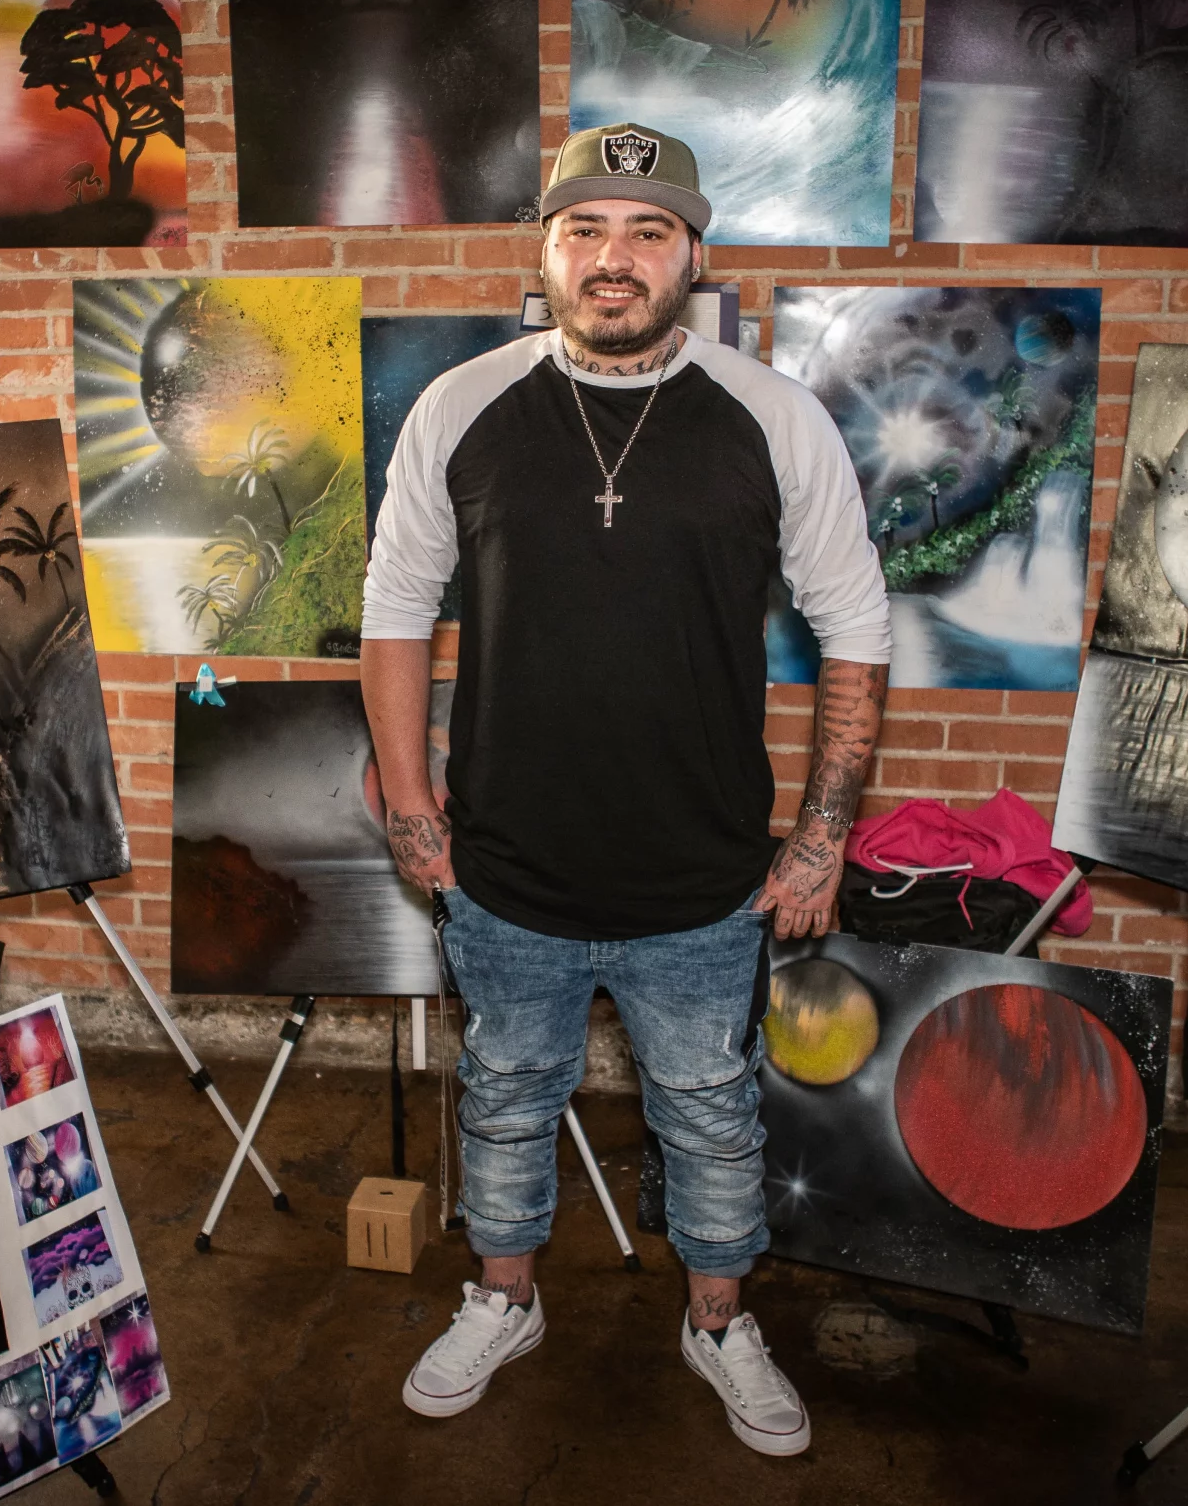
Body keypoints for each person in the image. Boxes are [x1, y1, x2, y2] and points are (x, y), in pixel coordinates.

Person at [362, 123, 892, 1456]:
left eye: (648, 232)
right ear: (541, 252)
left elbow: (857, 629)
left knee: (712, 1113)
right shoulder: (462, 406)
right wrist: (415, 811)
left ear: (692, 255)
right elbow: (393, 615)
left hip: (704, 873)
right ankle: (503, 1297)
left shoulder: (775, 419)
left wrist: (823, 835)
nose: (615, 258)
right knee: (505, 1095)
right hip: (506, 865)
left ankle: (718, 1320)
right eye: (586, 229)